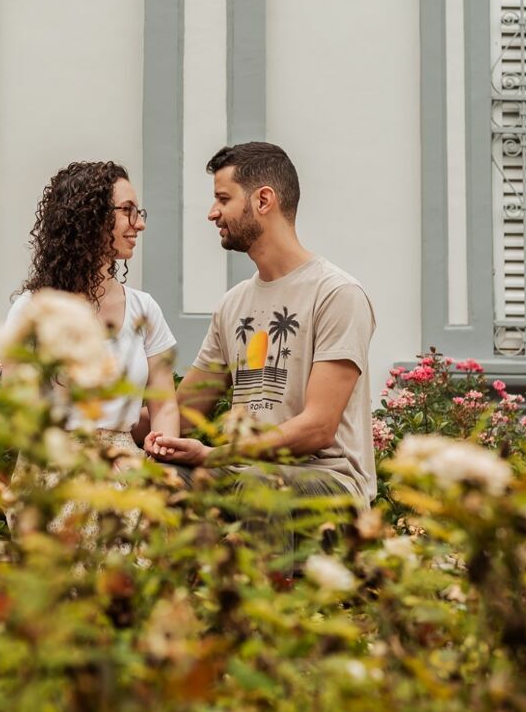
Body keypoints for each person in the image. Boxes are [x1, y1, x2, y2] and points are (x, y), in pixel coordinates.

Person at [144, 142, 377, 505]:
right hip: (244, 472)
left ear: (263, 200)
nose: (212, 213)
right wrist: (93, 420)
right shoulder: (232, 304)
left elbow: (318, 428)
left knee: (258, 485)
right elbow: (184, 411)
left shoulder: (337, 294)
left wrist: (216, 455)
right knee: (162, 479)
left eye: (223, 199)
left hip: (330, 480)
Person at [6, 161, 179, 454]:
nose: (139, 223)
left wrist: (161, 454)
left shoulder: (144, 308)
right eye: (127, 210)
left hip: (127, 467)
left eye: (138, 212)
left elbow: (164, 406)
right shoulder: (32, 311)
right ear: (90, 217)